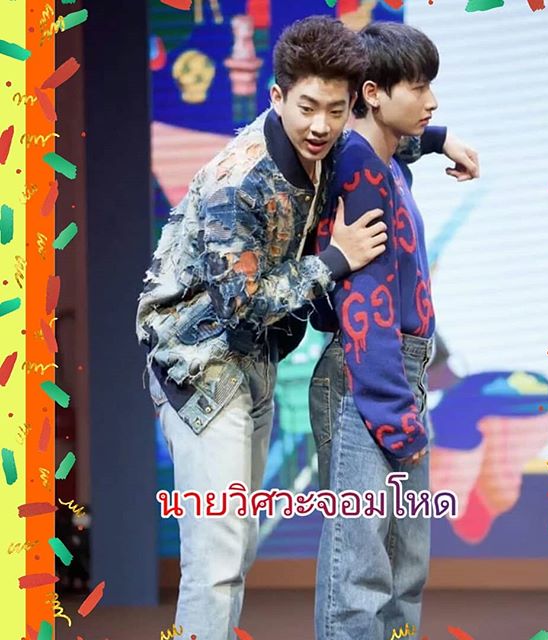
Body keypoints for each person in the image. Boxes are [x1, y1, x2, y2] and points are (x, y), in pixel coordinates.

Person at [136, 15, 476, 640]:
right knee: (217, 559)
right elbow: (241, 305)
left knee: (236, 548)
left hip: (254, 359)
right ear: (277, 97)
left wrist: (439, 138)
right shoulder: (239, 183)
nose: (321, 125)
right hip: (199, 366)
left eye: (336, 110)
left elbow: (374, 141)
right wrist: (335, 260)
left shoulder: (330, 143)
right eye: (308, 108)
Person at [309, 21, 477, 639]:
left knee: (404, 568)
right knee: (359, 574)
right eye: (419, 87)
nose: (431, 100)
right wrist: (395, 414)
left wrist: (440, 139)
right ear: (374, 94)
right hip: (368, 378)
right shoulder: (358, 165)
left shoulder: (380, 157)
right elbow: (366, 303)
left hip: (394, 375)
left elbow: (401, 141)